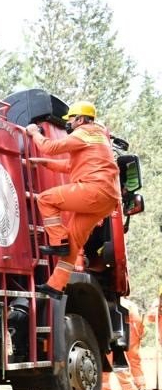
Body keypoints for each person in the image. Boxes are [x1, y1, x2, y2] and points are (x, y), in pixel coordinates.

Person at [24, 101, 121, 299]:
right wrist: (45, 163)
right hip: (108, 199)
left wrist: (34, 133)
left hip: (93, 190)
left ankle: (58, 241)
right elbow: (72, 166)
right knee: (74, 242)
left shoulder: (83, 132)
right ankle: (55, 286)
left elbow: (50, 147)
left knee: (46, 199)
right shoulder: (98, 137)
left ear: (81, 119)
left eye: (71, 119)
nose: (69, 123)